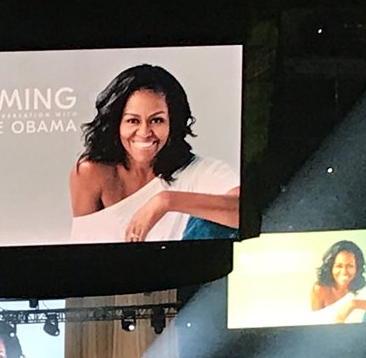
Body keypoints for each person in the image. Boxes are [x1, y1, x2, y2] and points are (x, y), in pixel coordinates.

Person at [69, 63, 240, 243]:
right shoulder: (91, 173)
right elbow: (82, 251)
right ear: (116, 123)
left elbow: (245, 212)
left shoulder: (198, 170)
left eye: (157, 120)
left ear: (173, 123)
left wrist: (166, 201)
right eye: (133, 121)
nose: (144, 132)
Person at [309, 241, 366, 324]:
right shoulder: (320, 289)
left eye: (350, 266)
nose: (344, 272)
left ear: (357, 268)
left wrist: (353, 304)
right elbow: (316, 322)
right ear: (330, 267)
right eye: (339, 266)